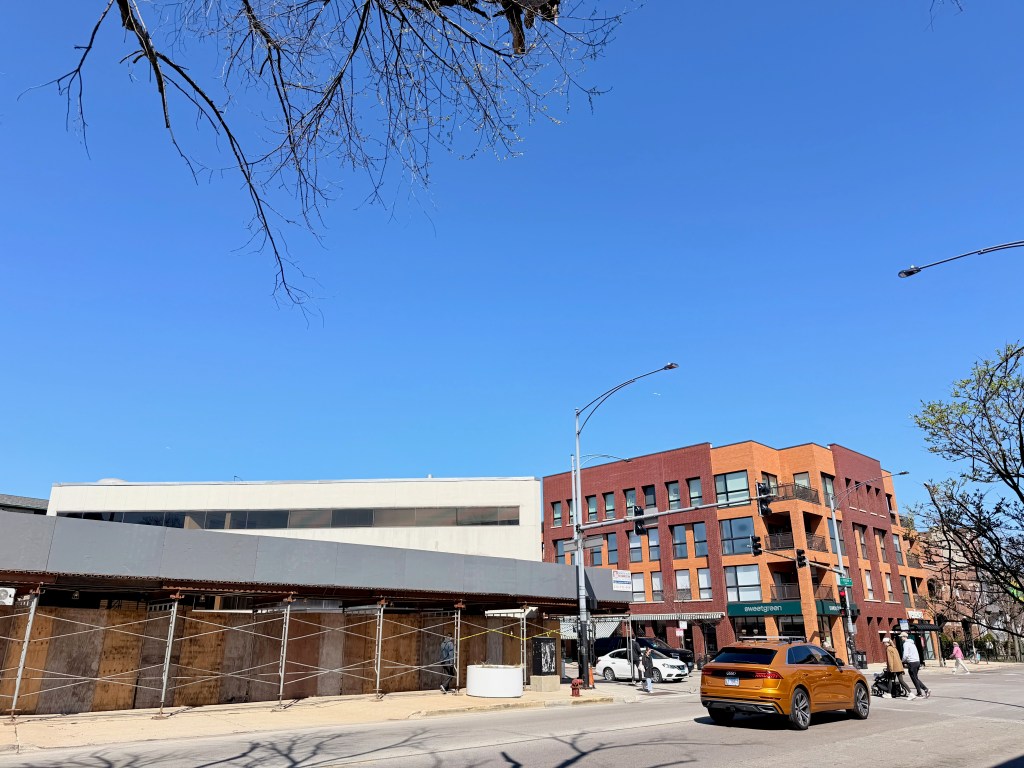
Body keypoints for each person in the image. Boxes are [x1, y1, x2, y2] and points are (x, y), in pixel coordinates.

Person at [900, 633, 930, 699]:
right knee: (915, 678)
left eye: (901, 637)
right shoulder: (912, 643)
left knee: (914, 678)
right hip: (917, 661)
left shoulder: (906, 644)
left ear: (904, 637)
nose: (901, 638)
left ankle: (925, 689)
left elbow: (905, 654)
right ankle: (920, 692)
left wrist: (902, 661)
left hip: (912, 662)